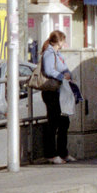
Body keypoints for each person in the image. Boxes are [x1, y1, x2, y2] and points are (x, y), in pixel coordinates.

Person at [40, 30, 75, 164]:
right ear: (59, 41)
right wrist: (62, 76)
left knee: (64, 122)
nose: (64, 43)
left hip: (60, 91)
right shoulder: (49, 53)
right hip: (51, 91)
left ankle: (63, 152)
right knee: (53, 122)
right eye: (63, 40)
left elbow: (64, 67)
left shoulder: (57, 54)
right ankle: (51, 154)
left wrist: (68, 74)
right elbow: (49, 70)